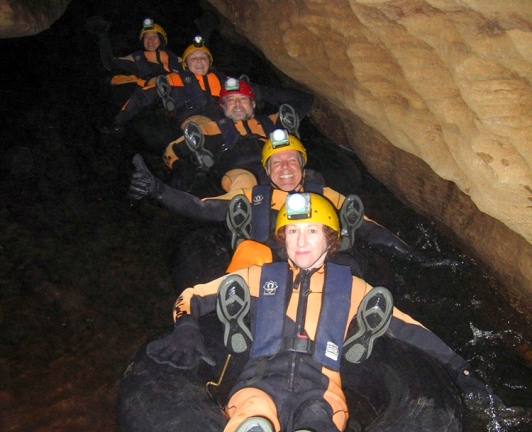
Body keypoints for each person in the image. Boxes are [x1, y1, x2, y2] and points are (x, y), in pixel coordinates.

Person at [147, 193, 494, 432]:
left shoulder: (353, 288)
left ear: (330, 239)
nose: (301, 241)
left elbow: (411, 330)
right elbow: (191, 295)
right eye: (293, 232)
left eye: (312, 231)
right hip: (260, 379)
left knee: (317, 424)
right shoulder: (259, 276)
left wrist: (460, 369)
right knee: (253, 412)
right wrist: (187, 327)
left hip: (321, 387)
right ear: (283, 239)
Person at [129, 130, 457, 269]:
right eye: (277, 163)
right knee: (249, 250)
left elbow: (371, 228)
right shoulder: (253, 196)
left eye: (292, 162)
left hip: (317, 264)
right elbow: (201, 208)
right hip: (268, 266)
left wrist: (417, 258)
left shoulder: (324, 196)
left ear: (302, 166)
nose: (285, 168)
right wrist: (157, 189)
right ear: (267, 171)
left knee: (348, 263)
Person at [161, 79, 314, 192]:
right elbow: (171, 151)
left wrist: (258, 90)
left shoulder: (271, 123)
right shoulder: (211, 128)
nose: (238, 104)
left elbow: (304, 100)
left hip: (279, 173)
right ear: (222, 106)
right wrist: (180, 167)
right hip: (237, 180)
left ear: (253, 104)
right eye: (232, 100)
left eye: (243, 99)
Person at [85, 17, 182, 133]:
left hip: (176, 92)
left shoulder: (175, 59)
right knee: (131, 92)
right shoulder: (138, 58)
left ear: (161, 39)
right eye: (146, 37)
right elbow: (111, 63)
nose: (150, 40)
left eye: (154, 36)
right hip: (150, 98)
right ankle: (118, 123)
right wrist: (102, 36)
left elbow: (199, 63)